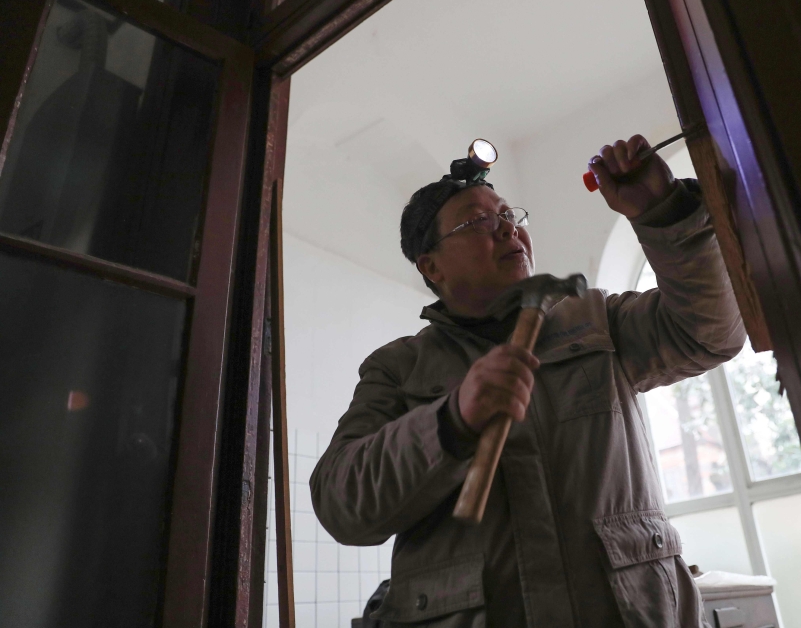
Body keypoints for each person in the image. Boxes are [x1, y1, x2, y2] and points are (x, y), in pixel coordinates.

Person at [310, 134, 746, 627]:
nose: (506, 230)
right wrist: (449, 422)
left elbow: (710, 335)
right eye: (478, 222)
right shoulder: (398, 368)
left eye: (509, 216)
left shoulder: (598, 319)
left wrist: (665, 213)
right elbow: (339, 502)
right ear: (431, 266)